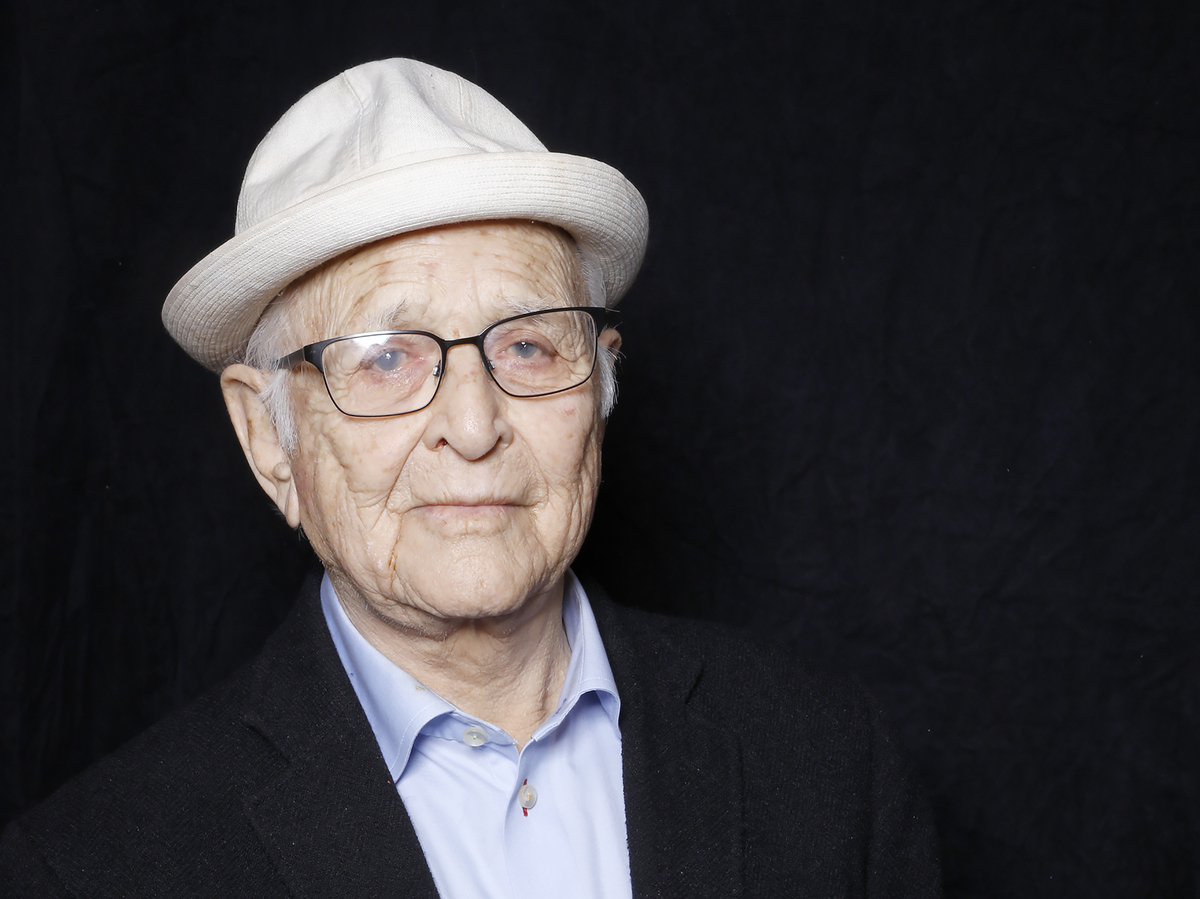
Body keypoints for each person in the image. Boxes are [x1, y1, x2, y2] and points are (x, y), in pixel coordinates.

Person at [0, 58, 941, 897]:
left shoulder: (827, 766)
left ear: (603, 381)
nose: (473, 424)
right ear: (267, 437)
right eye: (386, 359)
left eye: (527, 344)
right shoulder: (94, 868)